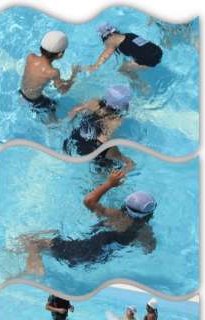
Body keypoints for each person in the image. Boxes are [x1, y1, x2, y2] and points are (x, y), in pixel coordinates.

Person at [21, 170, 156, 275]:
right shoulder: (145, 232)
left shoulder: (116, 216)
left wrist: (109, 184)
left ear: (125, 206)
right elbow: (149, 249)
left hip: (78, 250)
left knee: (31, 240)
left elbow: (88, 201)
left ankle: (33, 264)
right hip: (95, 260)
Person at [63, 85, 135, 173]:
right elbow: (108, 136)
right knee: (130, 163)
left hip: (75, 138)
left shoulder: (94, 102)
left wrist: (70, 122)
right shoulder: (117, 120)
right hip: (98, 148)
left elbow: (74, 111)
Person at [20, 31, 79, 120]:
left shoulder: (30, 57)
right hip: (34, 100)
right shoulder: (52, 72)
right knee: (53, 106)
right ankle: (53, 125)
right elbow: (63, 91)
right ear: (60, 54)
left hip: (22, 93)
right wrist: (73, 76)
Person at [85, 23, 163, 84]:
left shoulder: (110, 42)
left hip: (147, 60)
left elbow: (105, 56)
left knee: (122, 70)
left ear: (104, 38)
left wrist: (95, 66)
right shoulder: (129, 34)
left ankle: (141, 84)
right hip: (156, 50)